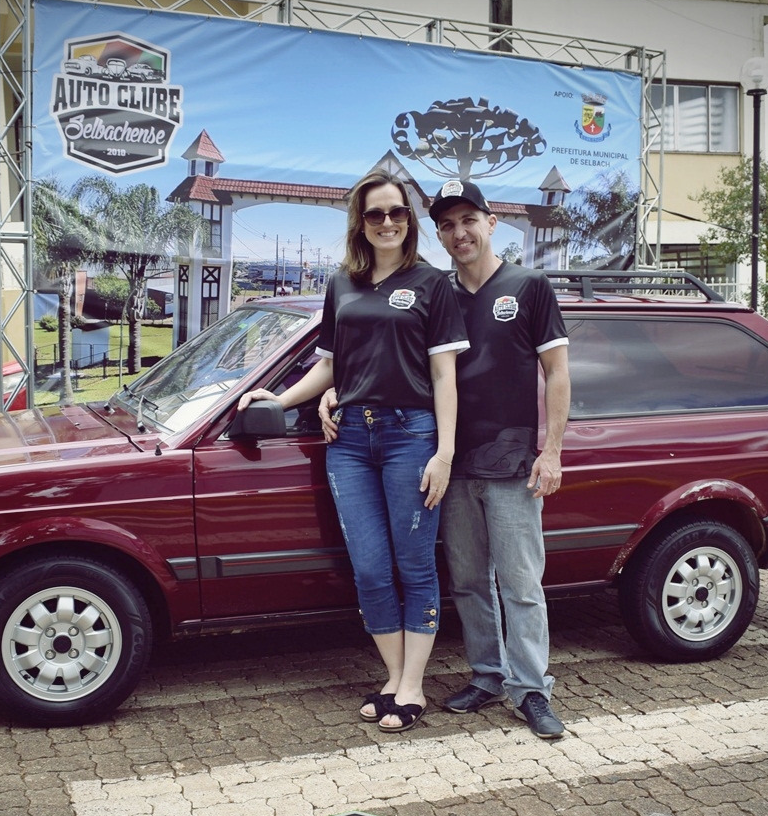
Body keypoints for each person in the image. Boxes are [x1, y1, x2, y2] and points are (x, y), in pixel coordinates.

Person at [238, 170, 468, 733]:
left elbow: (444, 376)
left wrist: (444, 452)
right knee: (368, 567)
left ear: (409, 219)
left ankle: (412, 685)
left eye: (397, 212)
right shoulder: (343, 283)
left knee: (414, 564)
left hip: (411, 435)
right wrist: (279, 398)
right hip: (350, 442)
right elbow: (331, 366)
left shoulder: (432, 284)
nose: (387, 222)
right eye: (375, 214)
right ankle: (393, 676)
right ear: (360, 224)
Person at [429, 179, 571, 739]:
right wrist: (333, 392)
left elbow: (556, 372)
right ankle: (487, 675)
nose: (459, 233)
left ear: (491, 223)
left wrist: (551, 451)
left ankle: (531, 688)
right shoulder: (437, 294)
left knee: (521, 584)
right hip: (452, 465)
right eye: (447, 225)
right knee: (468, 582)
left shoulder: (529, 286)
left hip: (514, 466)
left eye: (469, 220)